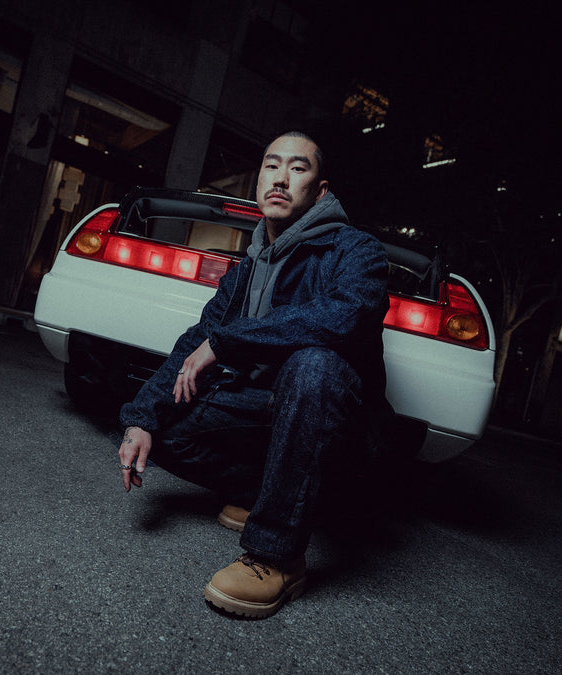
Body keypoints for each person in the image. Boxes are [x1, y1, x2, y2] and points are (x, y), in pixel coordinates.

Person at [117, 131, 394, 619]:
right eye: (272, 166)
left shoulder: (357, 251)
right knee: (167, 430)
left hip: (338, 430)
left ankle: (277, 556)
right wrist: (141, 418)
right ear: (260, 178)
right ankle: (266, 495)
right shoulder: (250, 264)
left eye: (298, 168)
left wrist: (227, 341)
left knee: (314, 365)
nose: (281, 178)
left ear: (320, 189)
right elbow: (199, 336)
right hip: (265, 412)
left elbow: (343, 318)